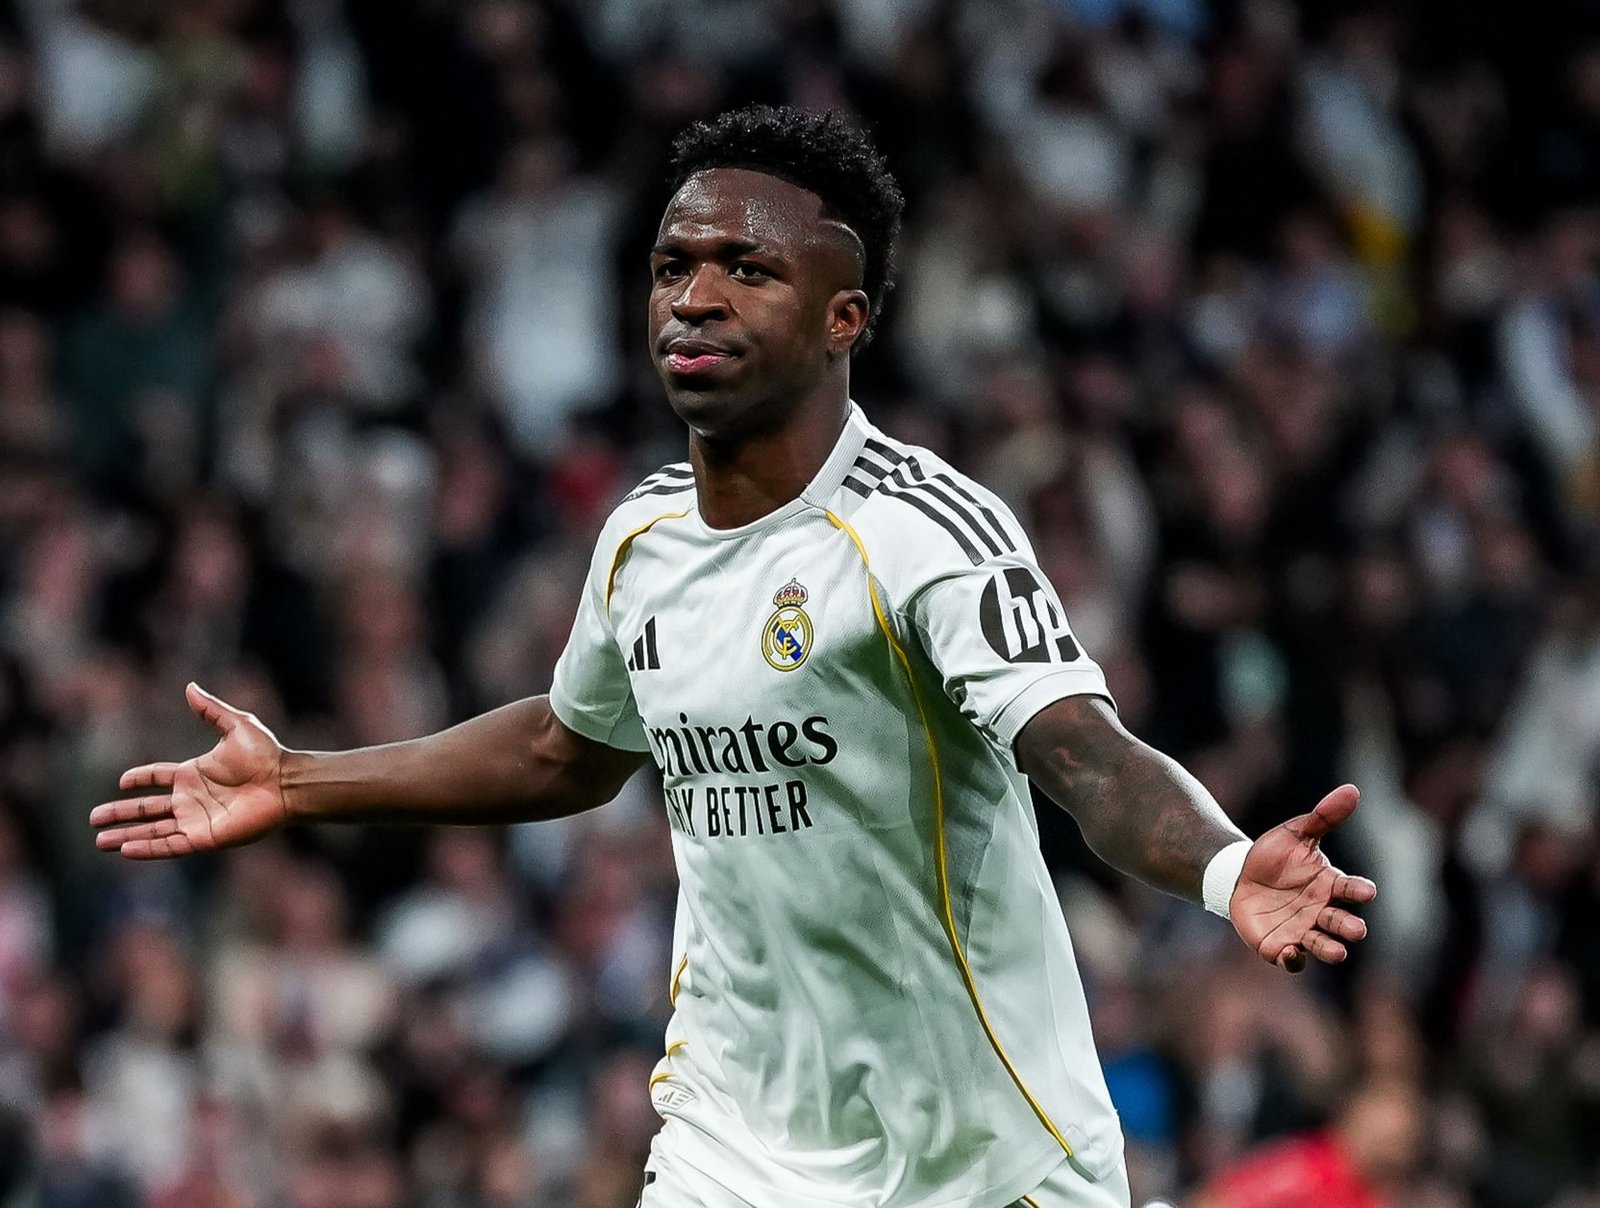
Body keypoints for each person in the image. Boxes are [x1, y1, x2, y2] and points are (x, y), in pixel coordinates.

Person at [91, 106, 1377, 1208]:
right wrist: (299, 780)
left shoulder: (920, 532)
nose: (693, 295)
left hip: (981, 1155)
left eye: (746, 270)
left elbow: (1083, 755)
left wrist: (1218, 867)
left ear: (843, 317)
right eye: (671, 264)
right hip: (733, 1141)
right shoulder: (640, 542)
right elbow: (564, 747)